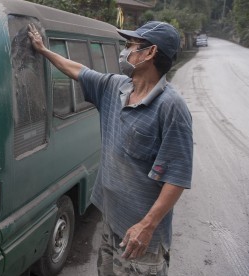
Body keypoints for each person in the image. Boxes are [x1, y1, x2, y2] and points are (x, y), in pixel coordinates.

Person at [28, 21, 193, 276]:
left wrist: (147, 226)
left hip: (141, 238)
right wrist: (42, 50)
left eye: (131, 46)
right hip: (111, 221)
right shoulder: (115, 86)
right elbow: (78, 70)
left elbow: (177, 177)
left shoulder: (171, 107)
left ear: (150, 53)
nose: (125, 51)